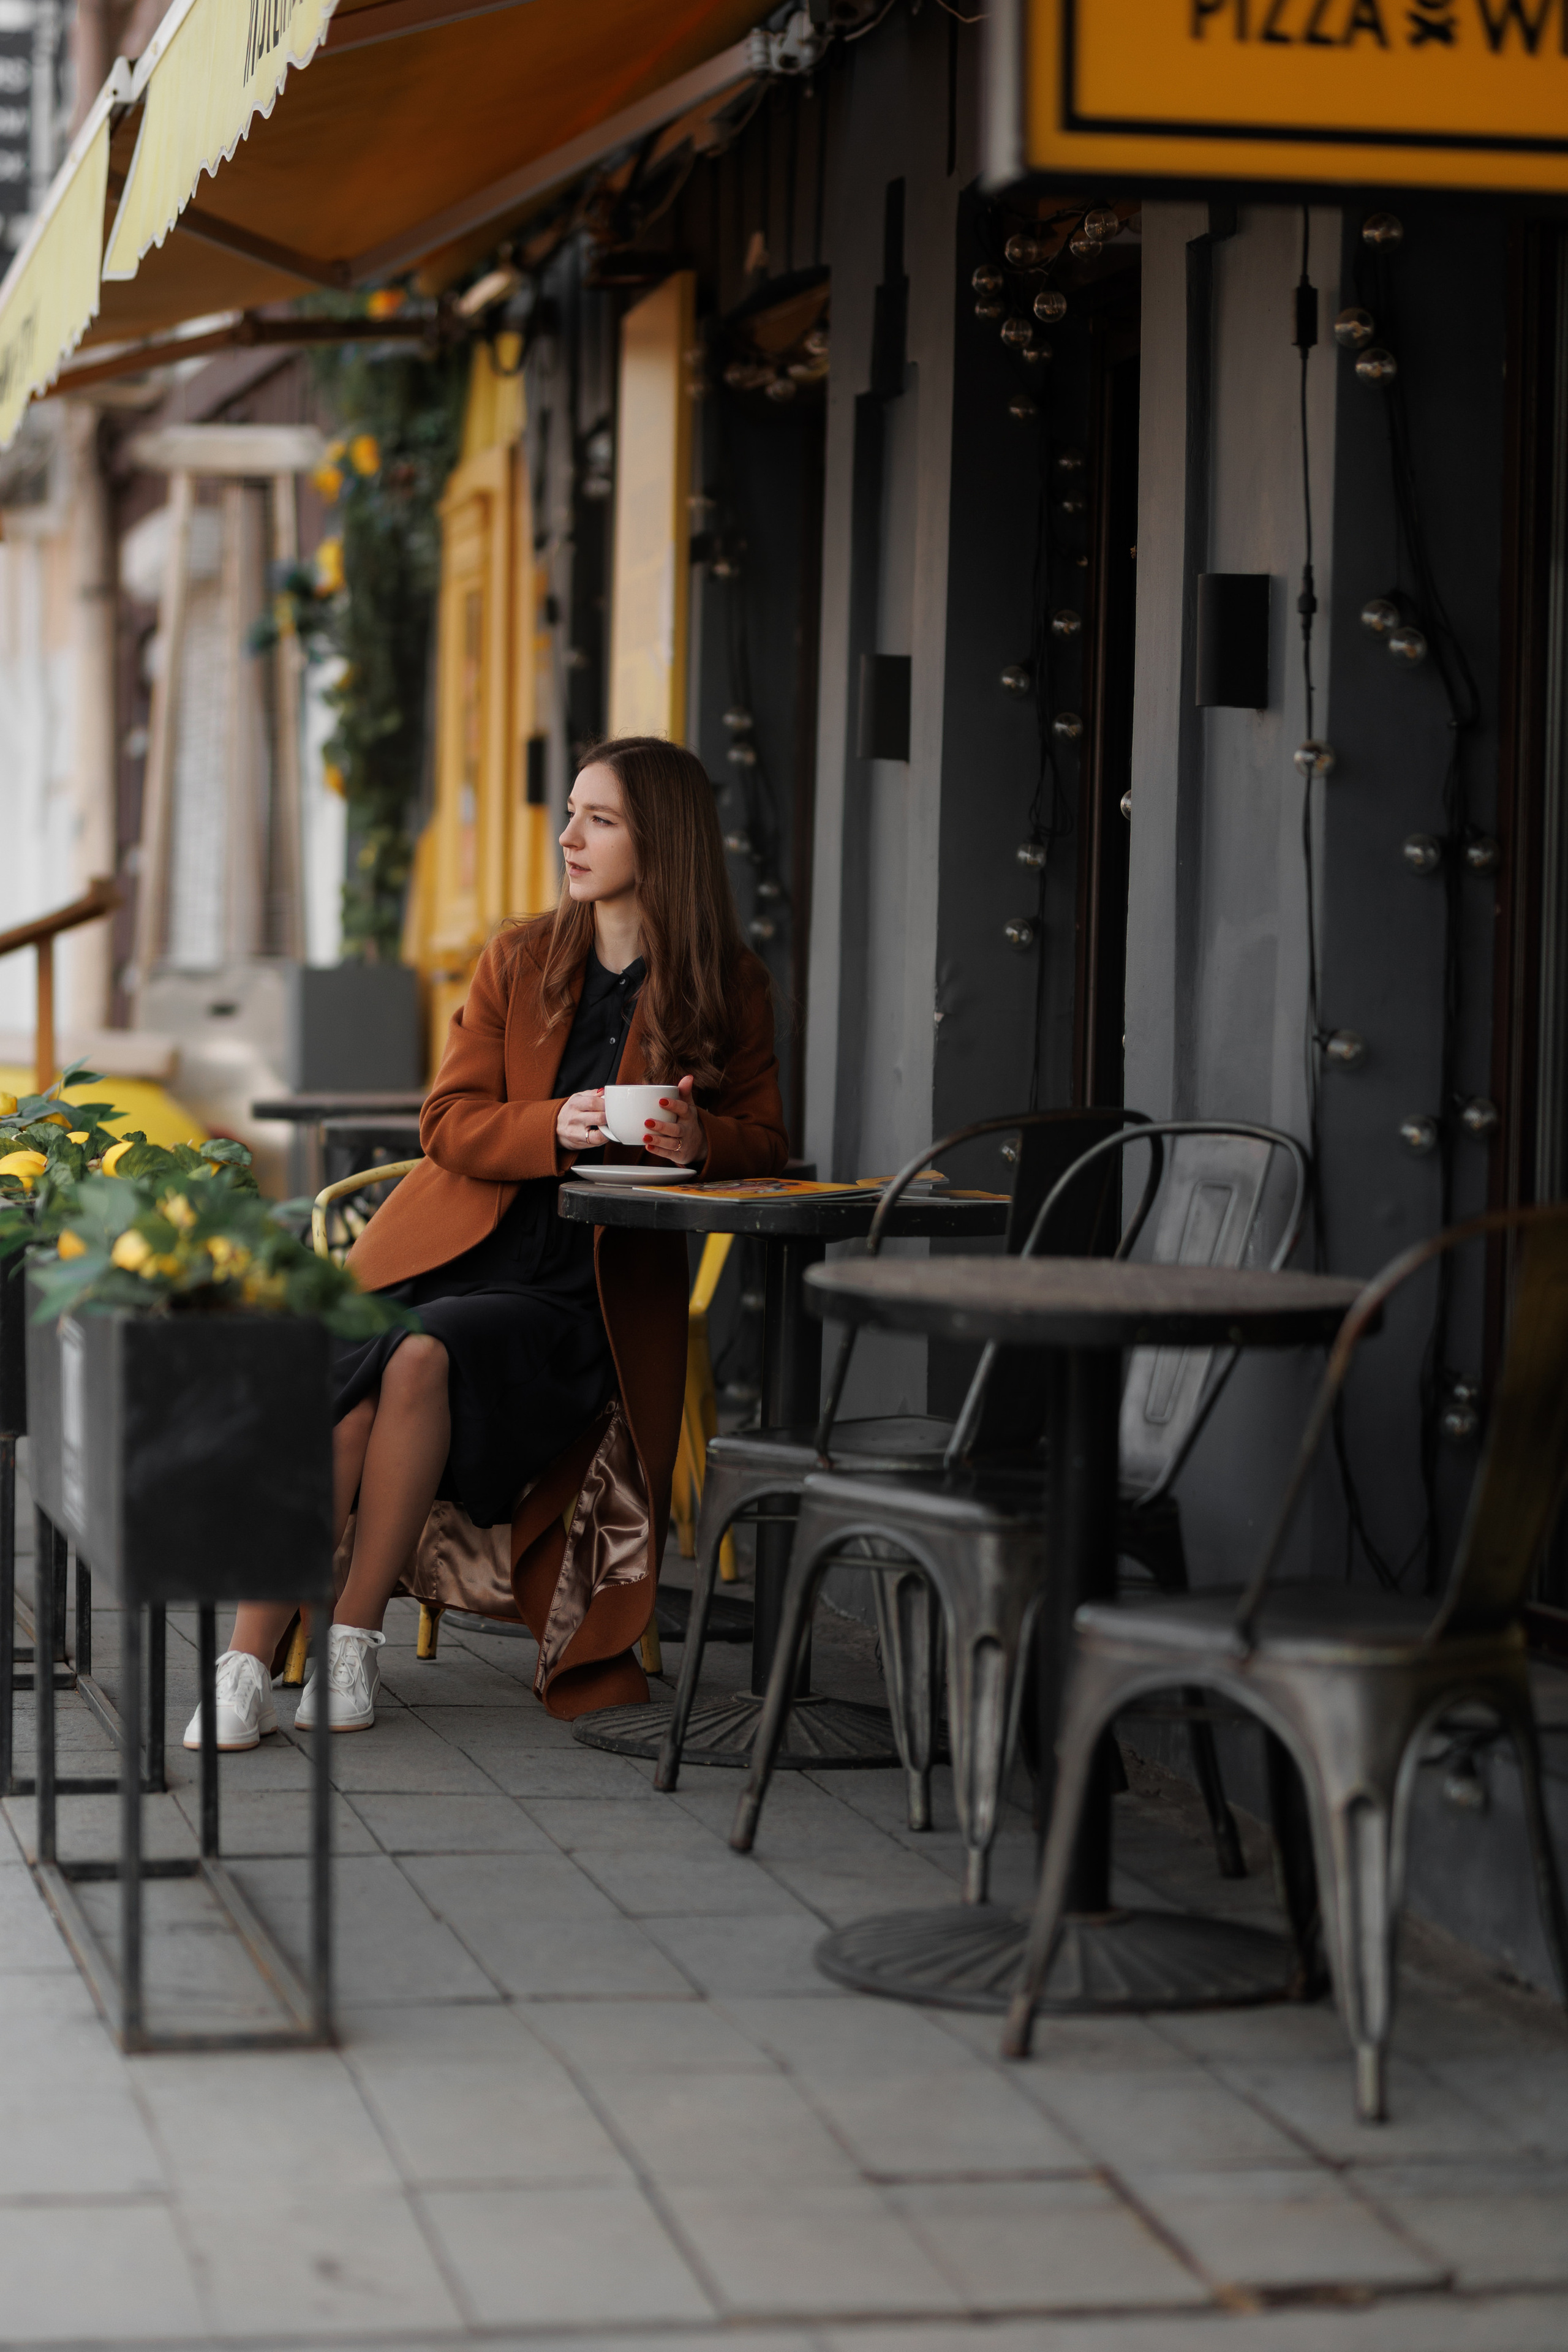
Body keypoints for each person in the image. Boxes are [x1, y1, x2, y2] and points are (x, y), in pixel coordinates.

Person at [184, 736, 788, 1750]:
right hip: (448, 1253)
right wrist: (552, 1125)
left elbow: (767, 1142)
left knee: (418, 1355)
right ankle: (254, 1662)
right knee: (361, 1380)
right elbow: (447, 1121)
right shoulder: (522, 957)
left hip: (579, 1291)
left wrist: (702, 1141)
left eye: (600, 820)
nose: (569, 837)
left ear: (662, 840)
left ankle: (346, 1643)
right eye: (571, 813)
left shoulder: (728, 983)